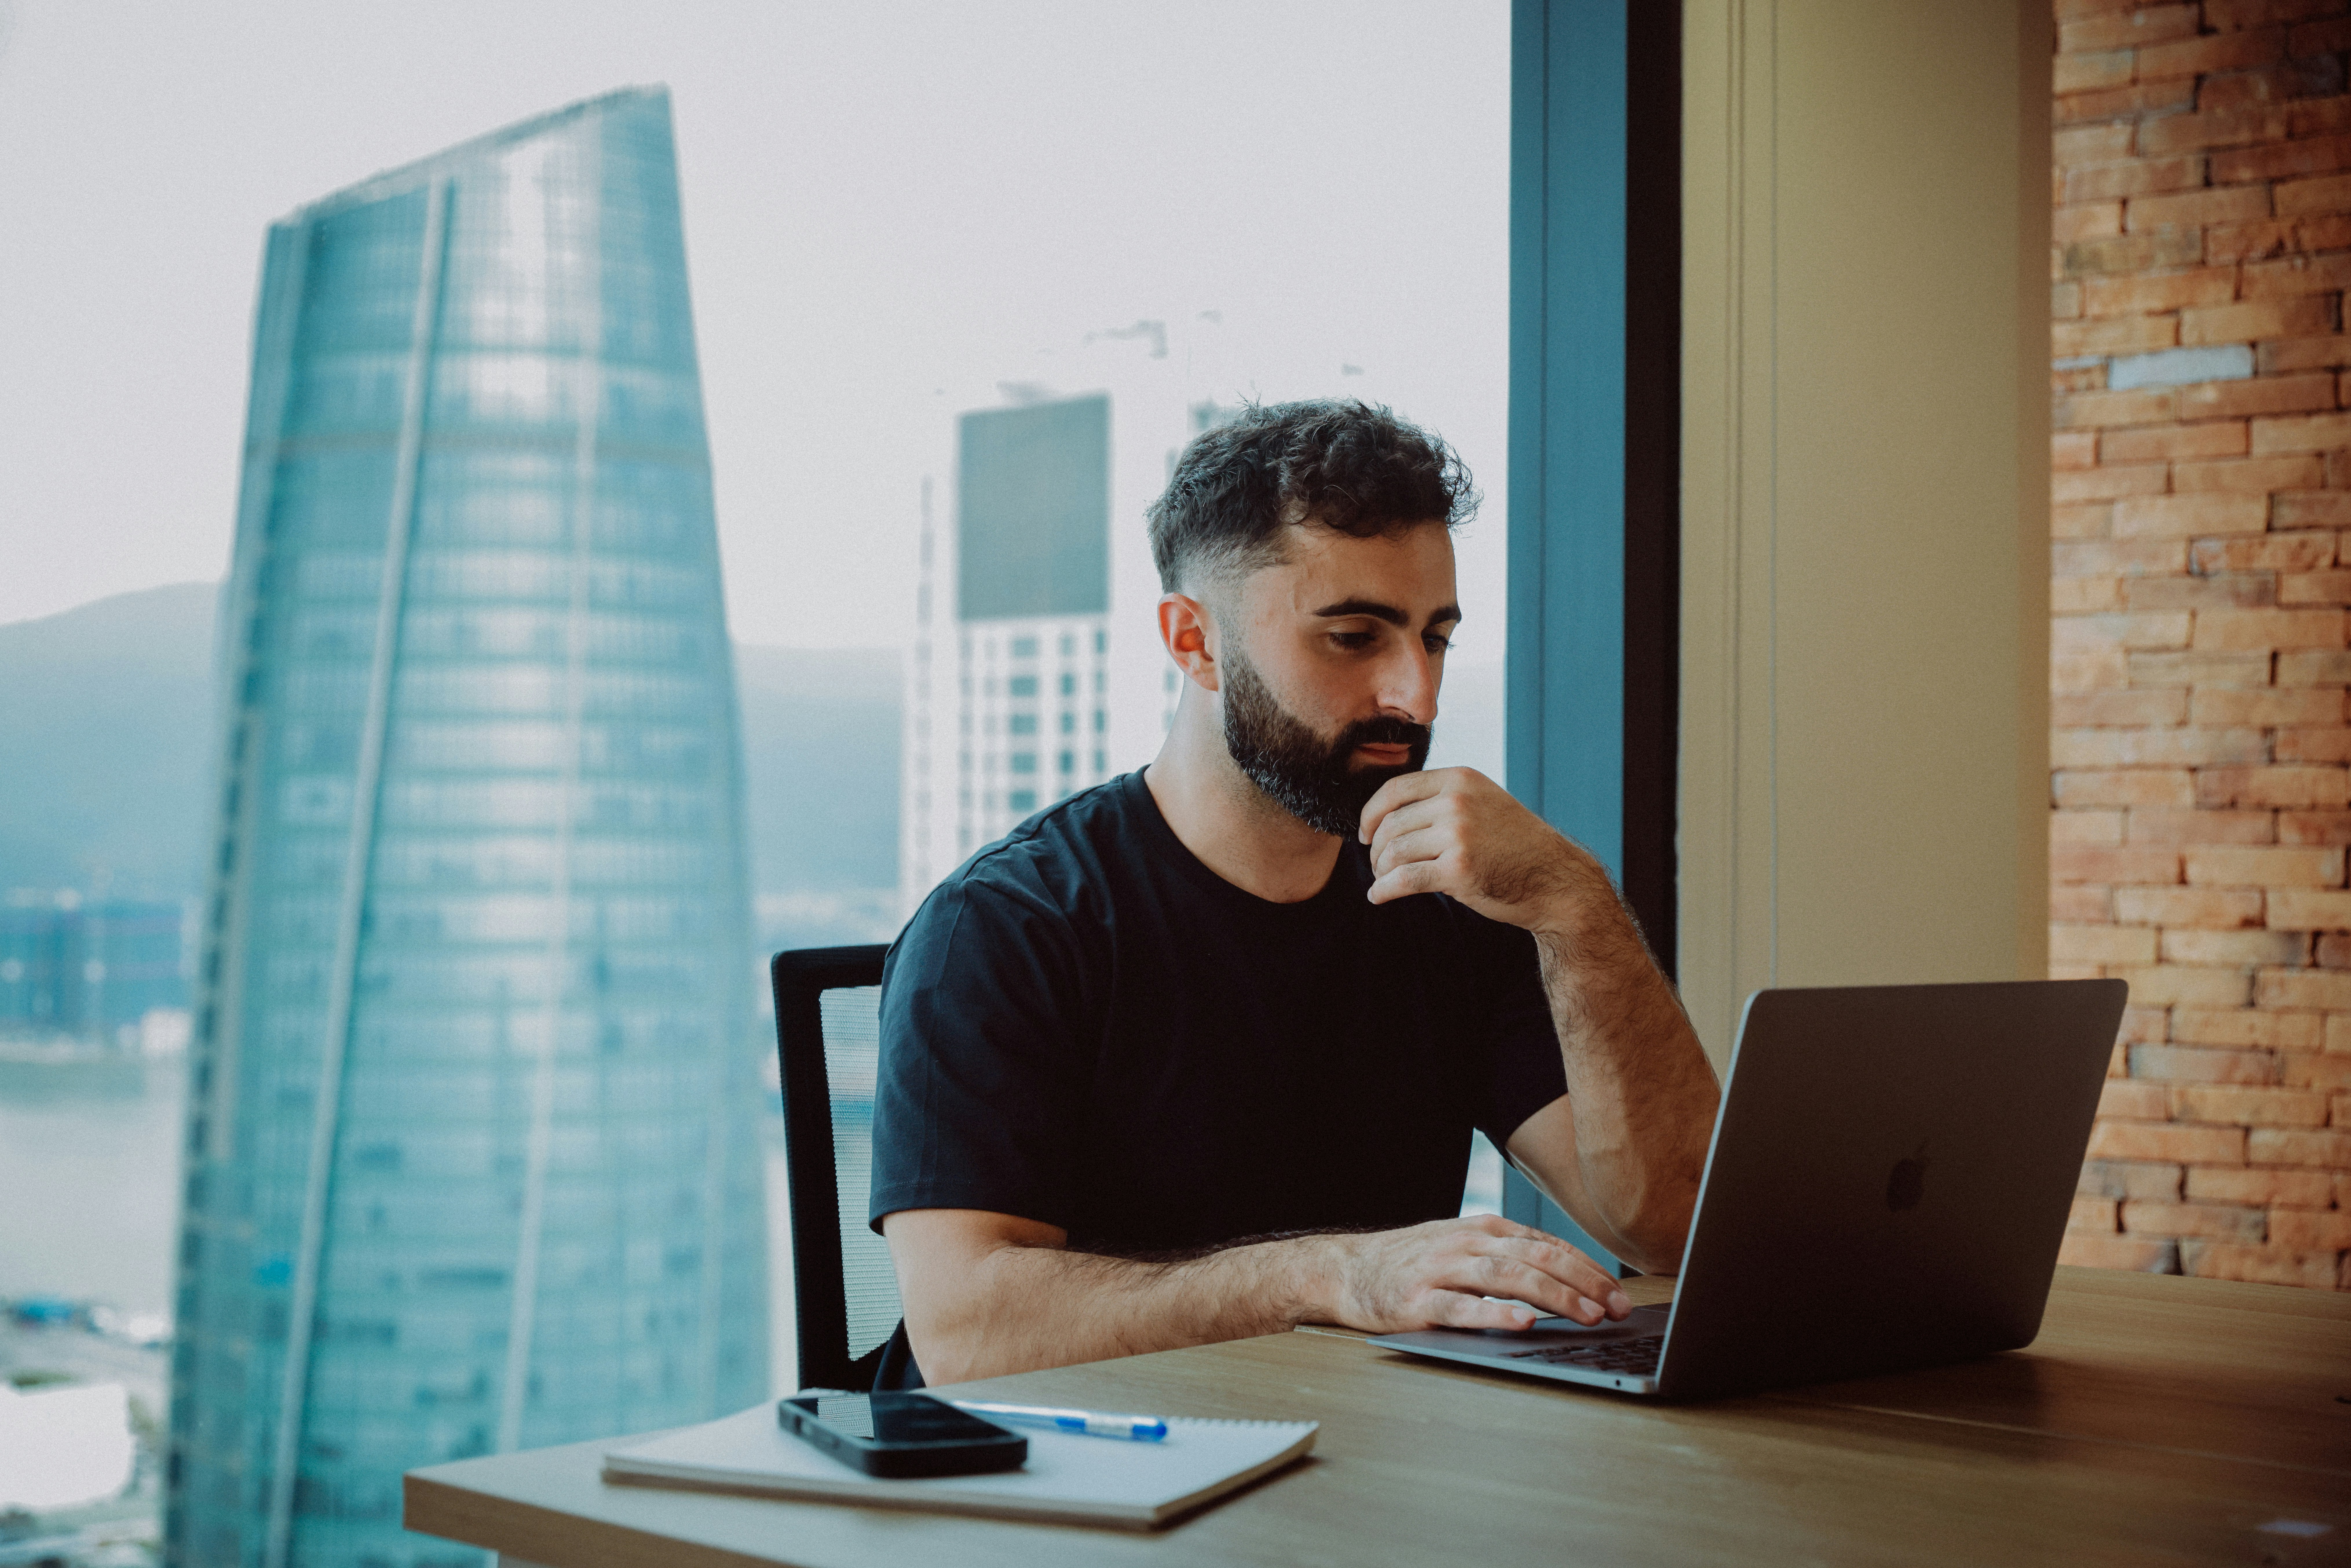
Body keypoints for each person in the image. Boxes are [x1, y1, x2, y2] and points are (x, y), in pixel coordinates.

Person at [867, 399, 1720, 1389]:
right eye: (1355, 637)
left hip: (1345, 1469)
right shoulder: (1008, 926)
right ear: (1195, 644)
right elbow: (968, 1337)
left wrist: (1576, 905)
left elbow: (1676, 1229)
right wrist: (1331, 1275)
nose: (1418, 696)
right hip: (1064, 1493)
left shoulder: (1449, 907)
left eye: (1435, 638)